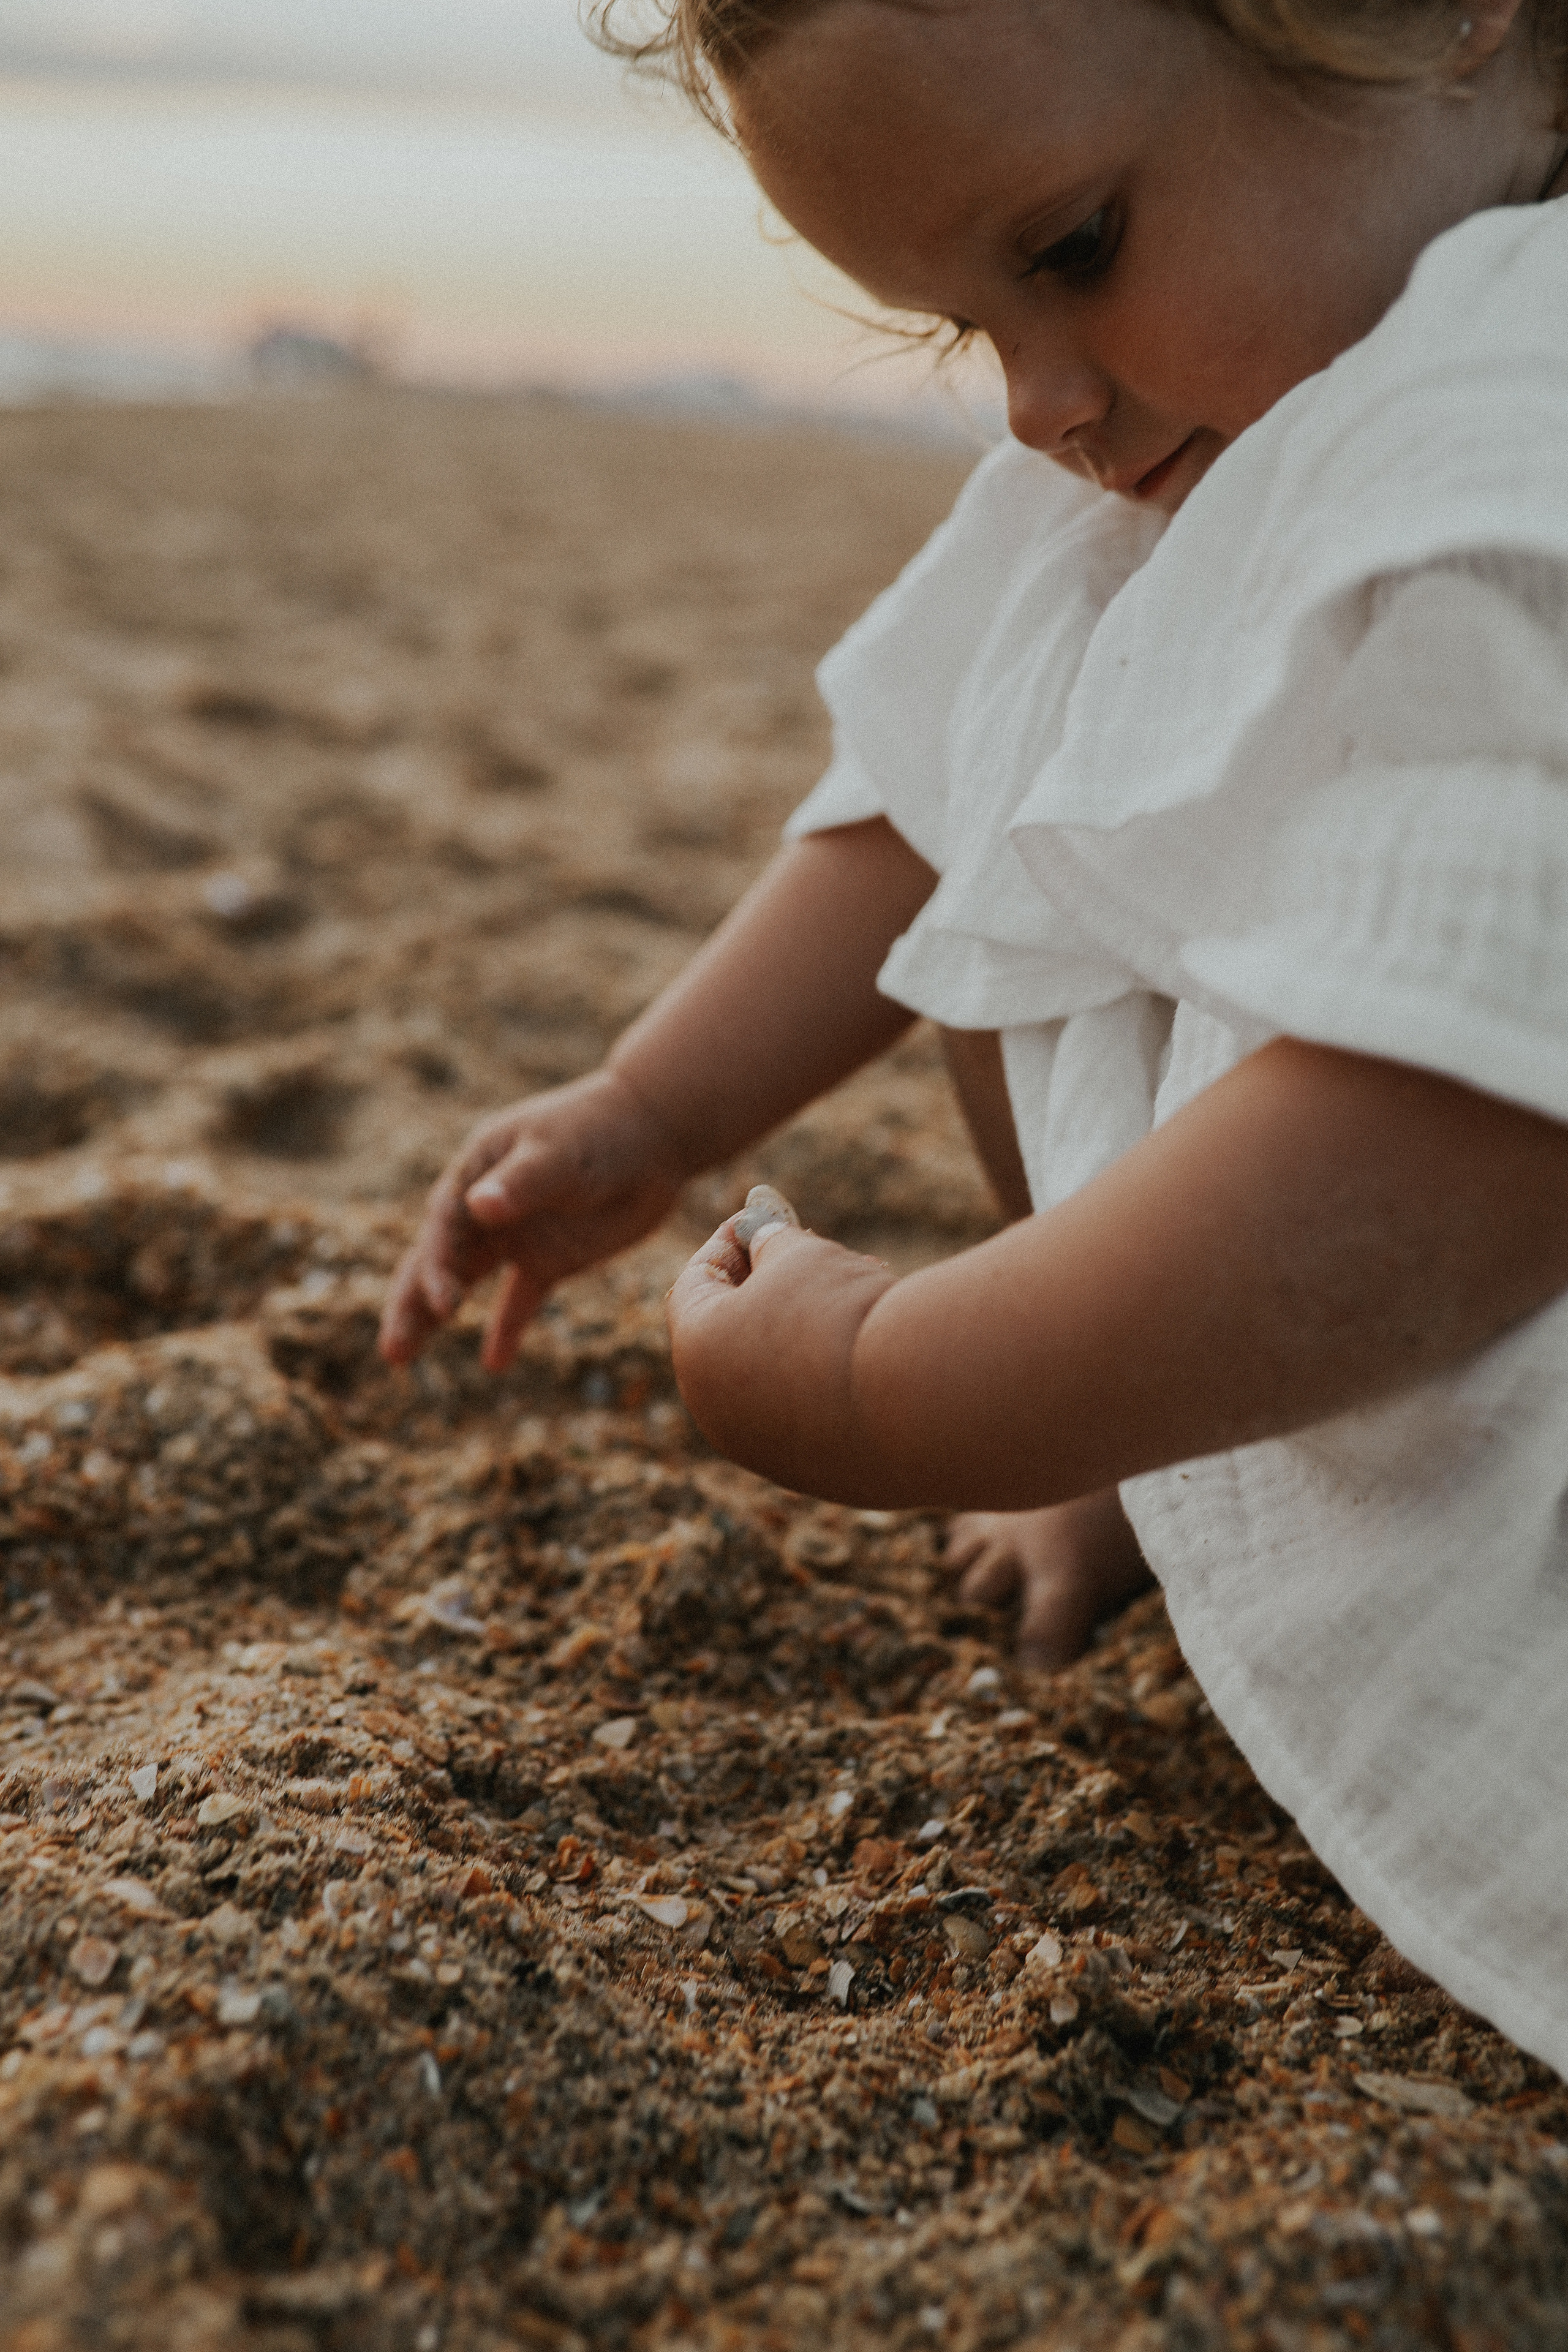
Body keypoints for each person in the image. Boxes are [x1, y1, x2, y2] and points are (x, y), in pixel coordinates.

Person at [386, 0, 1568, 2065]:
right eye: (956, 330)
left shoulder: (1513, 397)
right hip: (1283, 1300)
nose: (1034, 400)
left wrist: (896, 1387)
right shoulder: (1194, 413)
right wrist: (655, 1106)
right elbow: (924, 798)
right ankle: (1135, 1450)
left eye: (1077, 244)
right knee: (1019, 853)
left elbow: (1464, 1128)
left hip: (1469, 1326)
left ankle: (1096, 1416)